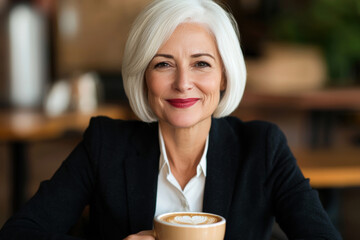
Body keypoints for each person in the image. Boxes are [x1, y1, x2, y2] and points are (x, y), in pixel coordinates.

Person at [0, 0, 341, 239]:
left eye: (201, 63)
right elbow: (19, 233)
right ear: (143, 76)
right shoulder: (106, 144)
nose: (182, 83)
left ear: (224, 76)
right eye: (163, 64)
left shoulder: (263, 148)